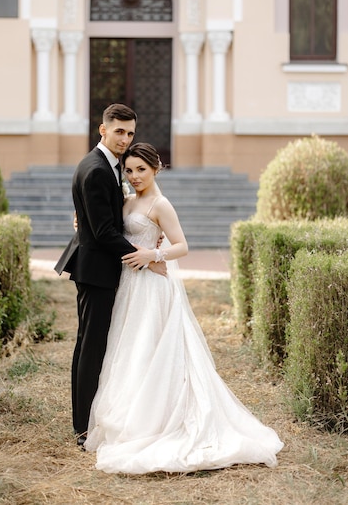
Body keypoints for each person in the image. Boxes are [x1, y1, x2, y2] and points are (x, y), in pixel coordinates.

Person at [84, 142, 284, 473]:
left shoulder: (161, 205)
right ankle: (132, 414)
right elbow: (108, 230)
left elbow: (182, 246)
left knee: (155, 346)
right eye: (130, 170)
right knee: (131, 346)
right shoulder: (127, 201)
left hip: (153, 286)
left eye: (141, 170)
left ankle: (163, 418)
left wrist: (154, 256)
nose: (134, 176)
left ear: (155, 169)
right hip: (130, 284)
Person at [54, 104, 166, 447]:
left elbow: (101, 219)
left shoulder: (106, 166)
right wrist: (146, 257)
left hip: (96, 267)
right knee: (91, 347)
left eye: (131, 133)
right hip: (97, 270)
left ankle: (86, 419)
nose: (125, 139)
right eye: (119, 131)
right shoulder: (98, 169)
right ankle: (83, 428)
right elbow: (103, 233)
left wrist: (144, 233)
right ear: (103, 130)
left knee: (91, 344)